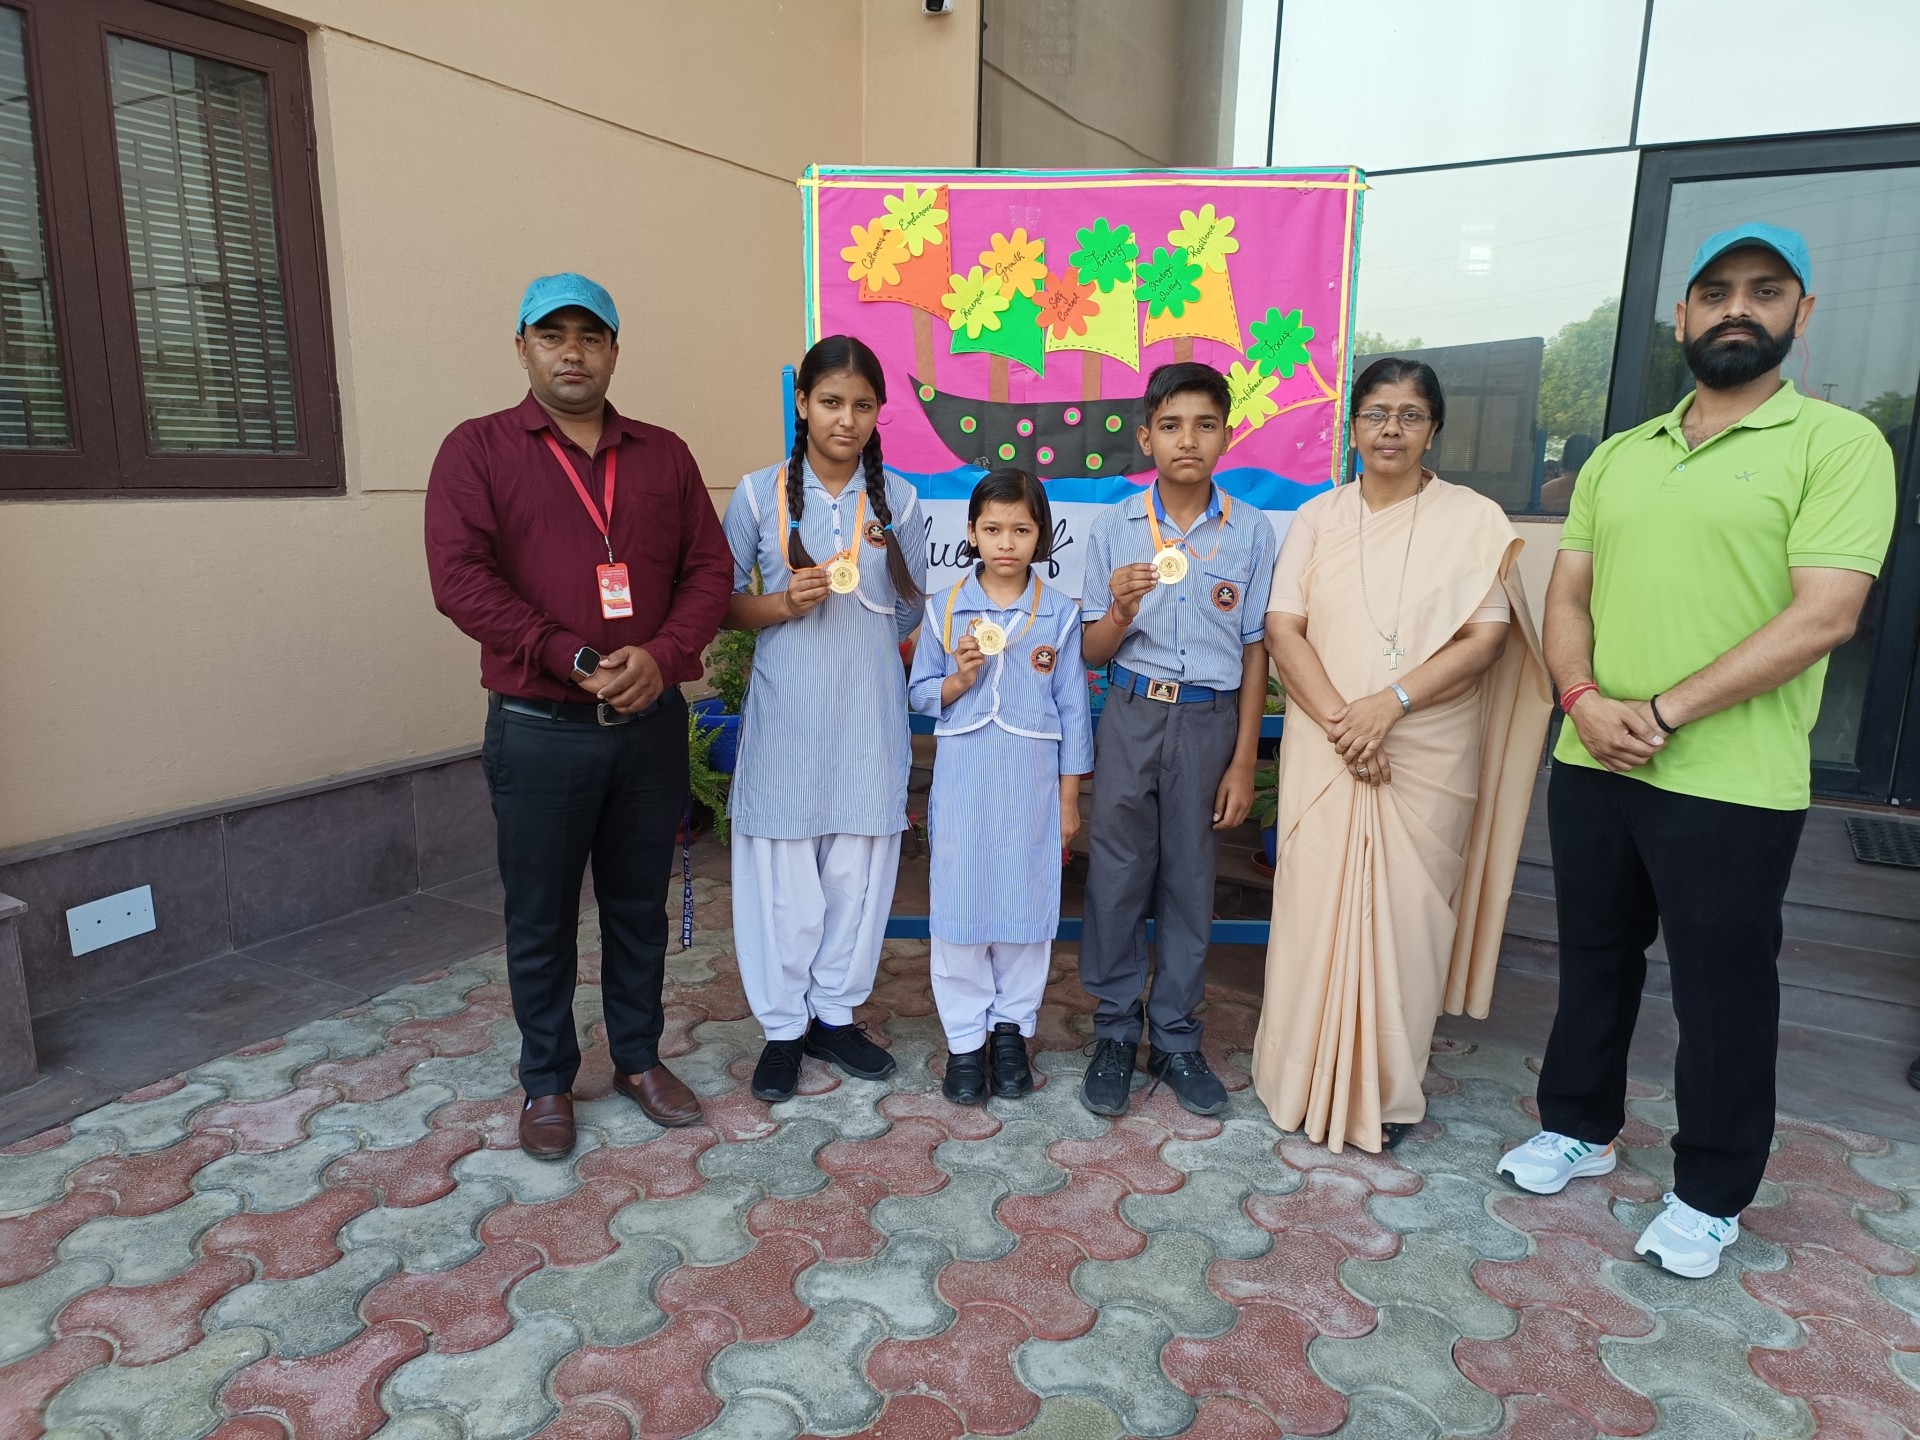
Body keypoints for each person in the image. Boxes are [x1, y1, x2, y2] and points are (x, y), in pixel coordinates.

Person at [1500, 224, 1896, 1278]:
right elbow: (1566, 593)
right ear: (1682, 316)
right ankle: (1578, 1125)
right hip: (1593, 757)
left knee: (1722, 989)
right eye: (1715, 292)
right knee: (1594, 956)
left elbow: (1825, 614)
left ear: (1802, 314)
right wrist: (1581, 699)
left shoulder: (1838, 444)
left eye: (1764, 292)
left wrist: (1662, 712)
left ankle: (1711, 1190)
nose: (1737, 310)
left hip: (1731, 779)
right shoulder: (1620, 454)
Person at [425, 273, 730, 1158]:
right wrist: (573, 656)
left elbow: (708, 571)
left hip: (648, 729)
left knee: (637, 909)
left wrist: (662, 656)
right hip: (540, 731)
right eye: (553, 335)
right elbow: (461, 580)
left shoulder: (664, 456)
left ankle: (638, 1058)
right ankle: (548, 1081)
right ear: (522, 347)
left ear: (614, 352)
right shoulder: (478, 450)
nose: (572, 352)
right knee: (542, 917)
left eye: (590, 337)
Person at [1250, 359, 1553, 1153]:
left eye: (1410, 415)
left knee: (1409, 919)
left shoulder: (1472, 519)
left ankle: (1386, 1091)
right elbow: (1283, 629)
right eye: (1377, 412)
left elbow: (1486, 638)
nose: (1391, 428)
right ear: (1352, 426)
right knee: (1313, 907)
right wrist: (1347, 724)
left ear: (1434, 430)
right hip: (1330, 744)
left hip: (1425, 746)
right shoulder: (1317, 517)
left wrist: (1390, 706)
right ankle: (1296, 1075)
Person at [720, 335, 927, 1102]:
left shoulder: (900, 501)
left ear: (878, 413)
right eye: (831, 402)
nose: (846, 419)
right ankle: (783, 1028)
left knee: (855, 872)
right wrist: (782, 604)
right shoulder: (757, 495)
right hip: (788, 715)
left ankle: (834, 1016)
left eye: (862, 405)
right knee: (784, 880)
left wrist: (861, 639)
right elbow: (716, 603)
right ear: (802, 404)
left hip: (868, 718)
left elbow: (910, 606)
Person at [1077, 361, 1275, 1117]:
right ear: (1145, 438)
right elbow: (1091, 651)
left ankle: (1177, 1038)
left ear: (1227, 434)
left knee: (1191, 879)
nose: (1187, 440)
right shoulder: (1115, 527)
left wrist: (1243, 759)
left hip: (1208, 721)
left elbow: (1255, 647)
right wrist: (1120, 612)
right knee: (1118, 872)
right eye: (1170, 425)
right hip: (1131, 711)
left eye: (1204, 424)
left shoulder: (1250, 529)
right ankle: (1115, 1030)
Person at [909, 469, 1093, 1104]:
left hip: (1031, 781)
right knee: (960, 905)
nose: (1006, 543)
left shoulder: (1060, 614)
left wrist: (1069, 799)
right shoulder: (944, 608)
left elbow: (1073, 711)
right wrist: (958, 680)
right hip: (964, 776)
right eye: (992, 529)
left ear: (1041, 535)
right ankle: (965, 1040)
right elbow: (919, 692)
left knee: (1026, 905)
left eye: (1021, 529)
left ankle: (1011, 1030)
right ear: (971, 533)